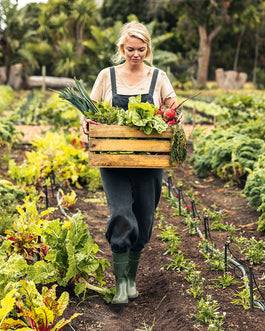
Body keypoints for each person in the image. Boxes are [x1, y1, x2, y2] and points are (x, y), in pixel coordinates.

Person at [81, 21, 179, 305]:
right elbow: (87, 114)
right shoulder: (106, 76)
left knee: (145, 219)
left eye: (141, 49)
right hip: (113, 159)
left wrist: (175, 116)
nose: (135, 54)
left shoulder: (158, 77)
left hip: (149, 161)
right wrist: (86, 123)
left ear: (148, 49)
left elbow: (172, 107)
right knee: (122, 214)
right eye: (130, 49)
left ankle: (132, 278)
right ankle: (121, 285)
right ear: (122, 49)